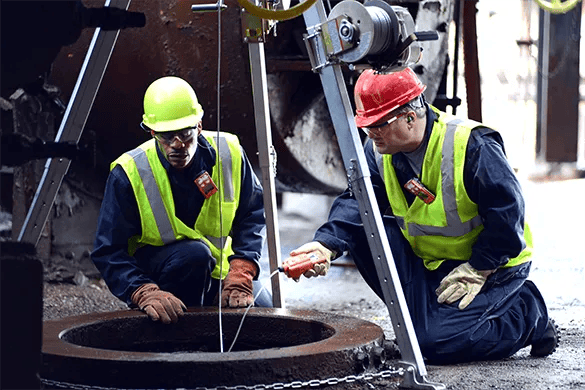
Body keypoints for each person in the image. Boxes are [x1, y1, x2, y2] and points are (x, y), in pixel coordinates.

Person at [284, 67, 559, 363]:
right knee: (366, 233)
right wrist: (325, 245)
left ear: (410, 117)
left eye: (379, 123)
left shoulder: (472, 146)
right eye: (366, 124)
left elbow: (508, 214)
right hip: (432, 263)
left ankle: (529, 313)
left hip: (491, 264)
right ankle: (427, 322)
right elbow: (357, 201)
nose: (371, 132)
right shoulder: (378, 150)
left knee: (433, 344)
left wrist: (481, 267)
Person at [91, 76, 270, 324]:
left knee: (264, 313)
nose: (178, 145)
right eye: (167, 136)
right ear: (152, 132)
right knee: (195, 255)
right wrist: (141, 290)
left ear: (199, 125)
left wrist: (242, 271)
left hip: (220, 270)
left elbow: (253, 214)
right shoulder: (130, 172)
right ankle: (182, 332)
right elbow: (108, 250)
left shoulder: (229, 152)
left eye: (185, 134)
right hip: (164, 272)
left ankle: (210, 300)